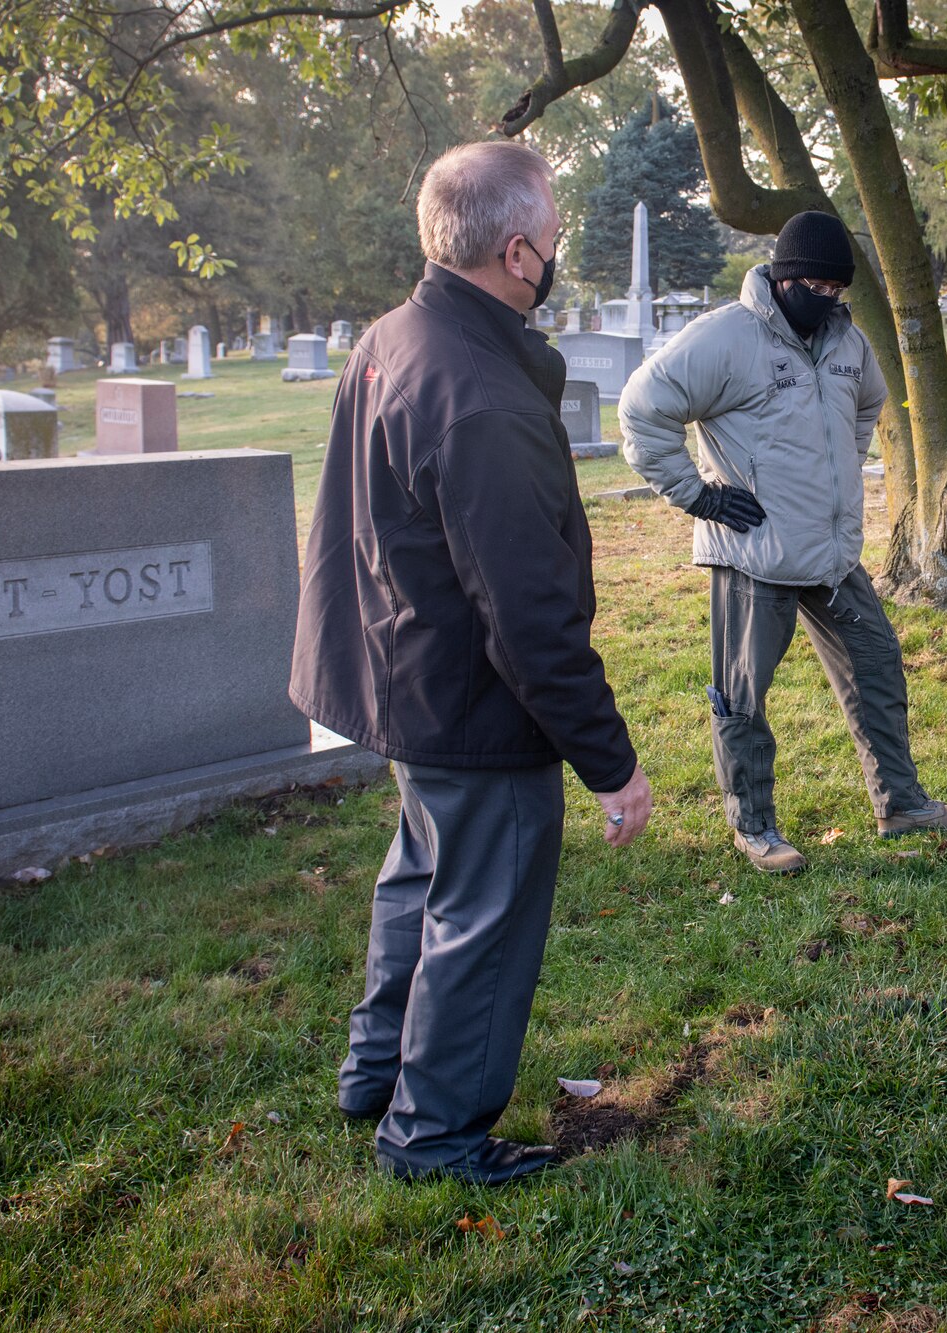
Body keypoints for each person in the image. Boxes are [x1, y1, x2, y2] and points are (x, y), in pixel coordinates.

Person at [289, 140, 651, 1184]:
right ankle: (434, 1135)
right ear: (518, 250)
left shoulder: (395, 335)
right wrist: (610, 765)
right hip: (466, 698)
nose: (557, 249)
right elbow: (528, 617)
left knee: (419, 879)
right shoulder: (477, 391)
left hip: (406, 678)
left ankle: (376, 1076)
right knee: (478, 919)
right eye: (553, 233)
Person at [619, 211, 947, 874]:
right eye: (814, 285)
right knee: (744, 693)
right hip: (753, 552)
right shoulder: (728, 338)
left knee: (876, 665)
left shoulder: (847, 341)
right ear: (784, 278)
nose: (827, 298)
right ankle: (754, 825)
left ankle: (901, 803)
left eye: (837, 289)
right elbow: (643, 408)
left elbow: (868, 403)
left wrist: (843, 462)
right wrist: (697, 494)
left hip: (832, 552)